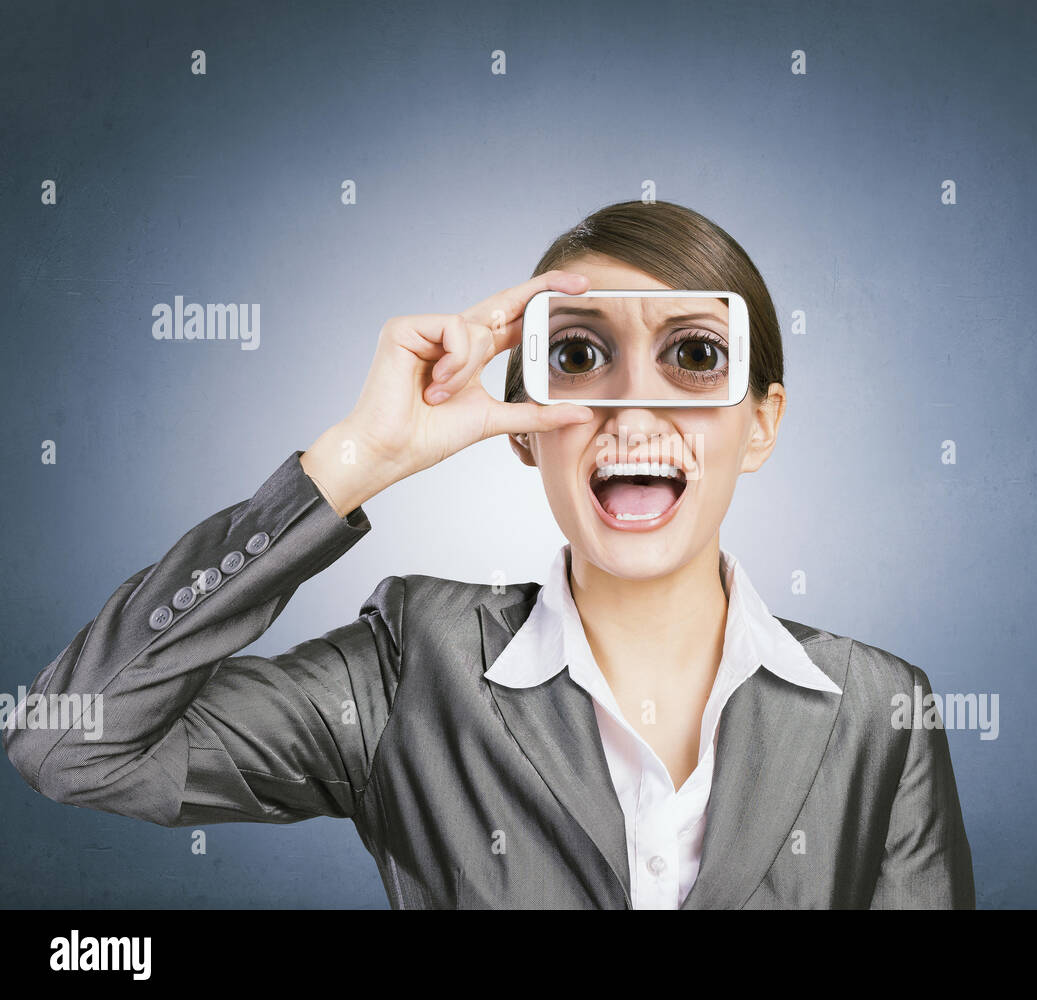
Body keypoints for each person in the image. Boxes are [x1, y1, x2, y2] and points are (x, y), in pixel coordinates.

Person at [2, 200, 976, 909]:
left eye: (691, 355)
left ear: (759, 425)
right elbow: (66, 745)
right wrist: (353, 461)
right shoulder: (409, 665)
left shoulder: (876, 708)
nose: (633, 411)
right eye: (580, 356)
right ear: (519, 426)